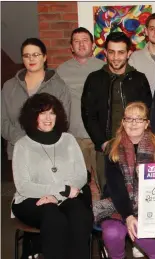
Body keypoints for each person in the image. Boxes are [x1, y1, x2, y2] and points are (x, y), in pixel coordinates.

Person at [11, 93, 92, 259]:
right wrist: (60, 190)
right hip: (31, 200)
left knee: (80, 214)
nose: (48, 118)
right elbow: (23, 186)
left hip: (66, 197)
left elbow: (81, 174)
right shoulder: (22, 145)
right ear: (33, 116)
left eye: (52, 113)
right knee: (53, 217)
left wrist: (56, 196)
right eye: (43, 113)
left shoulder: (68, 140)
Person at [81, 32, 152, 193]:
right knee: (108, 194)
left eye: (121, 52)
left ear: (129, 53)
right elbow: (88, 115)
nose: (115, 57)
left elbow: (148, 112)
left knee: (139, 193)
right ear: (105, 52)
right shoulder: (94, 79)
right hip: (106, 148)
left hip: (136, 147)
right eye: (111, 52)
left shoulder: (139, 79)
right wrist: (103, 143)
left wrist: (141, 143)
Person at [93, 102, 155, 259]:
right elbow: (115, 186)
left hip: (148, 205)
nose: (133, 123)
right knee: (113, 233)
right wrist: (129, 216)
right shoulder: (112, 146)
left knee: (150, 245)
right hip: (116, 204)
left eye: (139, 119)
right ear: (123, 122)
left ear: (146, 124)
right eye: (129, 119)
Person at [2, 38, 71, 162]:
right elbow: (2, 120)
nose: (31, 59)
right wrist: (22, 141)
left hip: (50, 152)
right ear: (23, 59)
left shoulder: (59, 86)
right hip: (19, 152)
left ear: (44, 57)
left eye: (35, 55)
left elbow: (63, 120)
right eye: (27, 55)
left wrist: (42, 142)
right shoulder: (9, 87)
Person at [57, 27, 104, 198]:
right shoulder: (61, 71)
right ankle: (82, 215)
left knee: (102, 181)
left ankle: (103, 216)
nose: (81, 44)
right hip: (74, 136)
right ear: (71, 47)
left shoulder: (104, 68)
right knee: (78, 182)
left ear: (92, 45)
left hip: (100, 136)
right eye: (76, 41)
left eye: (85, 40)